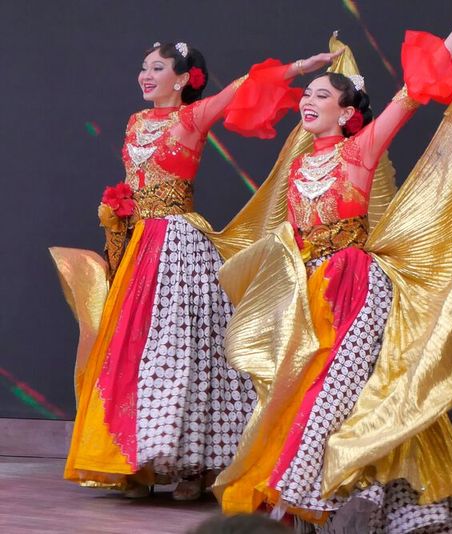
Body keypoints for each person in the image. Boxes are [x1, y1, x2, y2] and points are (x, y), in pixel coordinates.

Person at [212, 8, 452, 532]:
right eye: (306, 97)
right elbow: (245, 103)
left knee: (340, 395)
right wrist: (293, 72)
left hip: (353, 288)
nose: (308, 102)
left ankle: (314, 502)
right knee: (299, 394)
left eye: (321, 96)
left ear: (348, 111)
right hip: (305, 290)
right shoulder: (301, 161)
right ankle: (318, 504)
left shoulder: (362, 148)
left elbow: (414, 92)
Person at [51, 41, 340, 501]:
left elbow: (248, 85)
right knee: (130, 350)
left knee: (184, 351)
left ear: (182, 79)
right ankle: (138, 464)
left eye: (157, 68)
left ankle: (197, 466)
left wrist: (302, 67)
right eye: (143, 67)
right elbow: (132, 182)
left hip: (179, 245)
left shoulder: (193, 117)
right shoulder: (136, 122)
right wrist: (118, 209)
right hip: (139, 246)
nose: (146, 76)